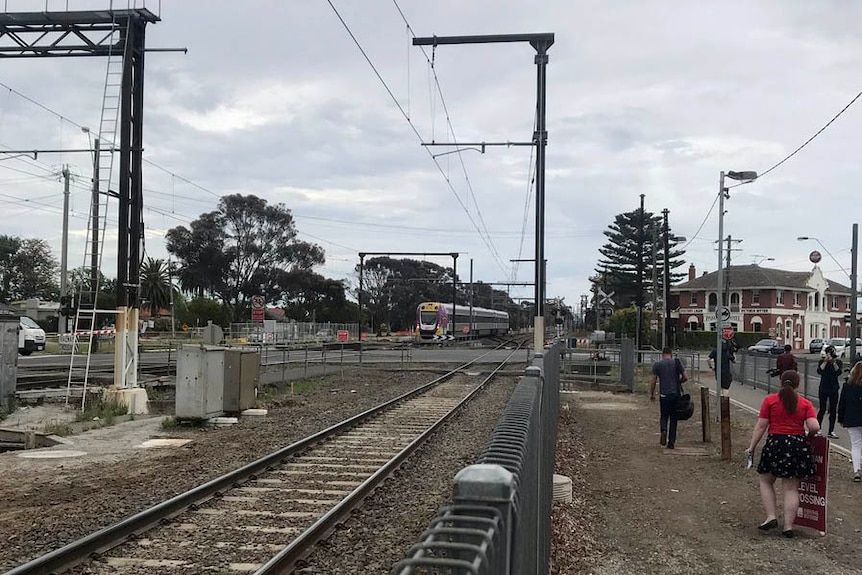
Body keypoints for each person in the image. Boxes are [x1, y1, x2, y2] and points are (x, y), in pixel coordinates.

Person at [746, 370, 819, 538]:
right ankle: (788, 526)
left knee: (766, 480)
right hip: (797, 446)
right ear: (797, 384)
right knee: (791, 487)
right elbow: (814, 426)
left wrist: (752, 447)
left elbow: (761, 426)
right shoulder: (805, 403)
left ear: (781, 382)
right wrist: (809, 436)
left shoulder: (770, 401)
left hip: (775, 444)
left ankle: (771, 516)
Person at [650, 347, 687, 450]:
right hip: (675, 395)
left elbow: (653, 381)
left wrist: (652, 394)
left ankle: (663, 430)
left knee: (664, 416)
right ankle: (671, 443)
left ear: (662, 354)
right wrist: (678, 382)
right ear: (671, 354)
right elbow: (685, 377)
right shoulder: (676, 362)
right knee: (674, 419)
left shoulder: (657, 365)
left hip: (664, 395)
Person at [838, 362, 862, 482]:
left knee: (856, 445)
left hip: (852, 419)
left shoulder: (847, 386)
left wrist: (841, 419)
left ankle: (856, 470)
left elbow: (842, 403)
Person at [817, 345, 843, 438]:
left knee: (833, 410)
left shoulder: (838, 362)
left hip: (834, 388)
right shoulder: (822, 362)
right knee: (822, 409)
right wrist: (825, 361)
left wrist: (833, 362)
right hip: (823, 387)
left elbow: (839, 372)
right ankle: (818, 429)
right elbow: (820, 371)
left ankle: (831, 430)